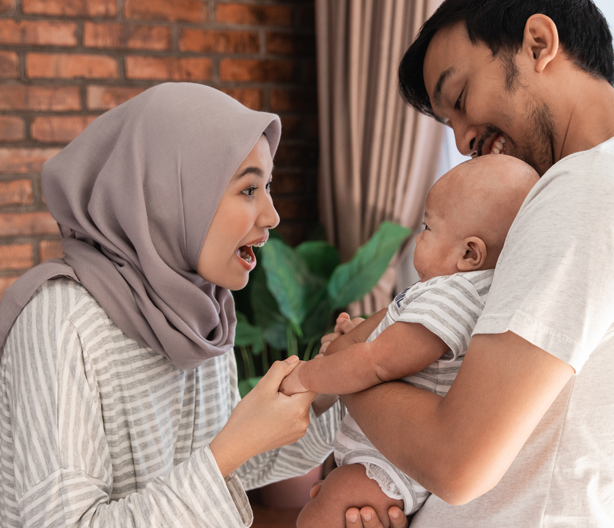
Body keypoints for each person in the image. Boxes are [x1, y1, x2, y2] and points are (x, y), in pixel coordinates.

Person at [332, 1, 614, 526]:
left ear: (538, 44)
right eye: (448, 122)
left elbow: (455, 460)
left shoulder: (590, 189)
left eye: (458, 97)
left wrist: (348, 365)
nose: (461, 141)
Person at [0, 83, 405, 528]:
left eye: (267, 187)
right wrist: (229, 449)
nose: (271, 215)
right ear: (170, 192)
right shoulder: (62, 322)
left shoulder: (199, 312)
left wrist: (330, 388)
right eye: (249, 189)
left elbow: (229, 468)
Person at [279, 155, 539, 527]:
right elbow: (386, 334)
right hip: (383, 452)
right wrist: (352, 337)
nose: (418, 237)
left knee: (313, 520)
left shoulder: (452, 296)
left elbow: (378, 362)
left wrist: (307, 376)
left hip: (386, 463)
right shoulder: (451, 293)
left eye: (427, 227)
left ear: (469, 253)